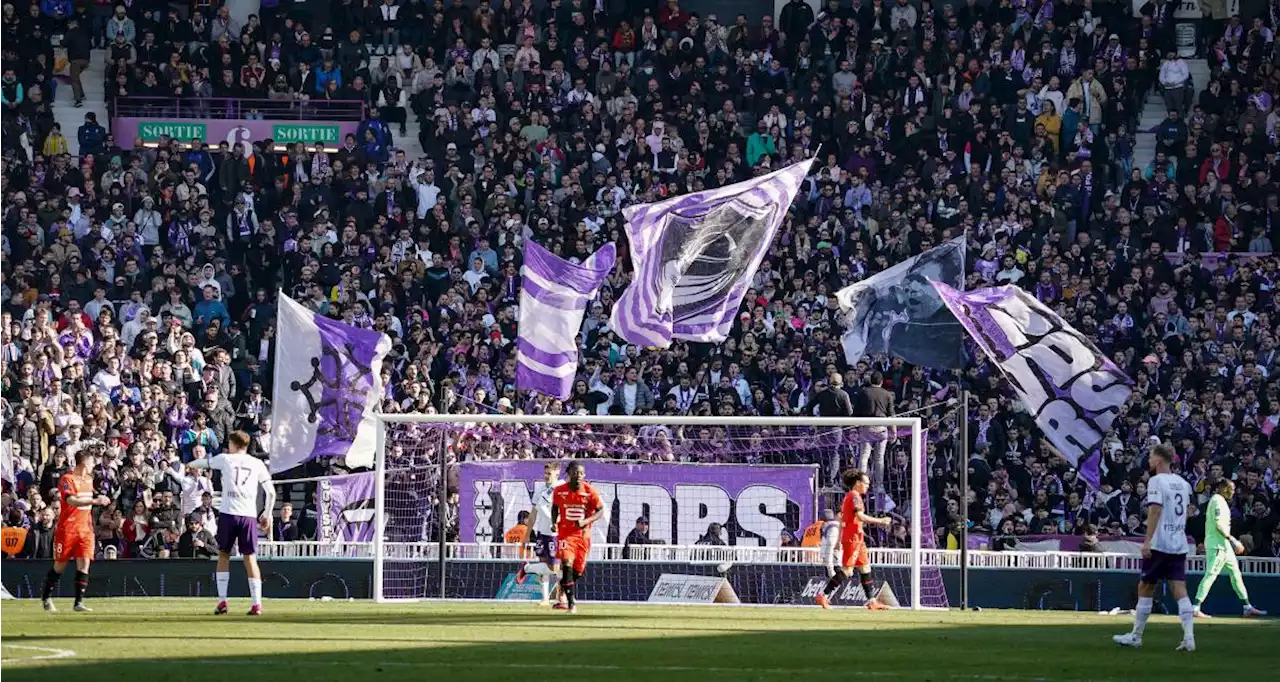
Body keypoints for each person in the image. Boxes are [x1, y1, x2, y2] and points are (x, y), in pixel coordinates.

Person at [1114, 444, 1196, 651]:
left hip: (1160, 543)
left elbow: (1155, 510)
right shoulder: (1183, 483)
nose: (1148, 461)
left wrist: (1148, 539)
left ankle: (1136, 635)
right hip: (1178, 543)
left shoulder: (1156, 481)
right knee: (1179, 587)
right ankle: (1189, 637)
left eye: (1151, 457)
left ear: (1159, 460)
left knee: (1146, 585)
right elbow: (1189, 510)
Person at [191, 430, 275, 616]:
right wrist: (267, 514)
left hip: (229, 514)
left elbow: (203, 463)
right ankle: (257, 604)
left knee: (223, 555)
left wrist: (188, 464)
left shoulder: (225, 459)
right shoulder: (257, 463)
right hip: (248, 516)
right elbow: (271, 492)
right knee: (250, 557)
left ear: (233, 444)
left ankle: (222, 602)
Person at [42, 442, 111, 612]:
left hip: (85, 529)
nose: (93, 465)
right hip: (68, 529)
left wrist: (100, 497)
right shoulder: (67, 479)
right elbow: (71, 500)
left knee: (84, 563)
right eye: (91, 462)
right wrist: (94, 501)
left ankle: (78, 602)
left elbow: (89, 497)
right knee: (60, 565)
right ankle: (46, 597)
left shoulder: (89, 480)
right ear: (84, 463)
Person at [816, 469, 892, 610]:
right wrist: (881, 521)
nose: (868, 486)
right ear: (858, 483)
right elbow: (860, 517)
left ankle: (872, 601)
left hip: (857, 537)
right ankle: (824, 595)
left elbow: (842, 519)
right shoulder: (854, 497)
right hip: (853, 538)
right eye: (866, 483)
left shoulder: (849, 497)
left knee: (865, 567)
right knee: (848, 570)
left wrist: (839, 539)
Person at [1192, 479, 1266, 618]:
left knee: (1236, 574)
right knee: (1211, 575)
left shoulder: (1220, 501)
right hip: (1217, 545)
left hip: (1223, 546)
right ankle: (1195, 607)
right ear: (1224, 488)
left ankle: (1247, 606)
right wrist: (1234, 541)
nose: (1233, 492)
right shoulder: (1217, 501)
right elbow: (1219, 526)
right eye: (1231, 489)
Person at [551, 461, 603, 614]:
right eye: (575, 472)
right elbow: (554, 507)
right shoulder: (559, 491)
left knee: (578, 571)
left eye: (581, 473)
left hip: (583, 536)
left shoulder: (590, 491)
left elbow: (600, 511)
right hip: (565, 535)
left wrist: (585, 521)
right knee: (567, 562)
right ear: (569, 473)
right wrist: (554, 522)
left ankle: (563, 585)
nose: (578, 476)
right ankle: (571, 603)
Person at [516, 462, 563, 605]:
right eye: (545, 473)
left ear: (557, 473)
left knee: (556, 568)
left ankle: (527, 568)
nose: (546, 476)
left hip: (556, 533)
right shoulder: (540, 489)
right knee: (546, 565)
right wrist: (527, 535)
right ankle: (545, 599)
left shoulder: (561, 488)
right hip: (543, 532)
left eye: (549, 474)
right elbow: (534, 513)